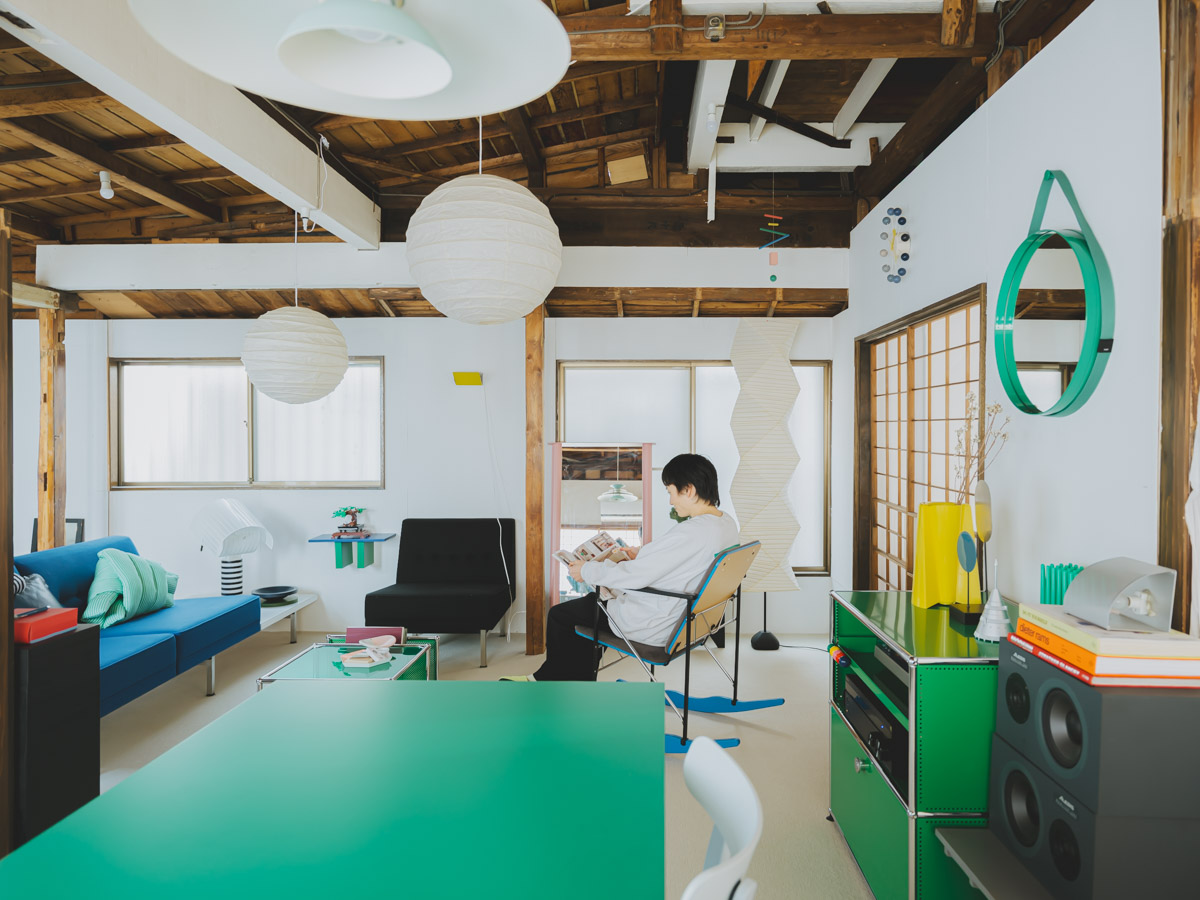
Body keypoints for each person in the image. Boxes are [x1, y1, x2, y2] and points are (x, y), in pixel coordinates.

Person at [503, 453, 739, 682]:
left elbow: (636, 576)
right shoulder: (724, 524)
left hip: (654, 624)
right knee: (589, 610)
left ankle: (549, 681)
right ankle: (571, 680)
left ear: (688, 490)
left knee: (561, 615)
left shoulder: (691, 532)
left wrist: (585, 570)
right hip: (690, 621)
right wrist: (641, 554)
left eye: (671, 492)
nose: (671, 501)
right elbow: (681, 561)